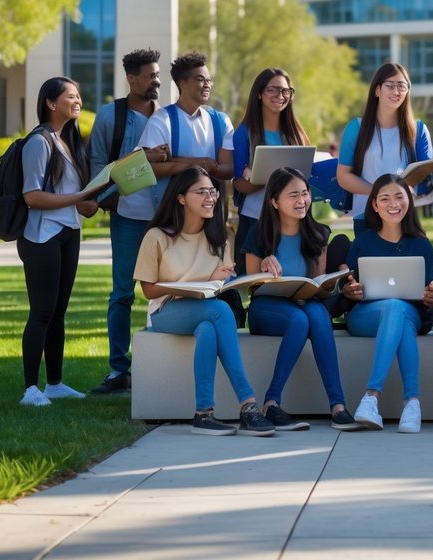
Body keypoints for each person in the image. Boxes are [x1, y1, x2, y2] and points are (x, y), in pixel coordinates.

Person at [134, 166, 274, 436]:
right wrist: (193, 285)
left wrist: (216, 280)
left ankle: (204, 414)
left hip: (205, 309)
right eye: (202, 192)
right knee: (220, 312)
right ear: (181, 198)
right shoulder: (157, 237)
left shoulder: (221, 237)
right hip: (165, 310)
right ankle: (248, 405)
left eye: (213, 192)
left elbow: (218, 285)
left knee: (209, 328)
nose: (210, 197)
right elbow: (149, 290)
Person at [124, 52, 241, 325]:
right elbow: (149, 167)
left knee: (217, 284)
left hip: (212, 219)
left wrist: (176, 161)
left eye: (209, 80)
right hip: (176, 220)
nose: (207, 85)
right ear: (182, 84)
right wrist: (198, 164)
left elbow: (227, 169)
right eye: (200, 79)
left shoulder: (220, 120)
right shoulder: (162, 120)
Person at [245, 167, 361, 431]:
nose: (302, 201)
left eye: (305, 193)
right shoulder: (259, 234)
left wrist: (336, 282)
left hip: (303, 303)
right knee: (299, 319)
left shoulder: (318, 234)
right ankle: (271, 403)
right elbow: (249, 286)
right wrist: (264, 264)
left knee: (318, 314)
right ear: (274, 201)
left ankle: (339, 407)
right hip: (266, 309)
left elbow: (316, 285)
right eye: (293, 195)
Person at [18, 77, 100, 407]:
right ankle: (30, 390)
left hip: (69, 231)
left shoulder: (69, 141)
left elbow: (68, 194)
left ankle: (54, 383)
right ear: (51, 103)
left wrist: (86, 203)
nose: (78, 101)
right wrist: (76, 198)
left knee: (59, 311)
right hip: (42, 235)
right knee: (42, 311)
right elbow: (32, 196)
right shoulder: (39, 141)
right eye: (71, 96)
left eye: (79, 96)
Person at [340, 173, 433, 433]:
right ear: (374, 205)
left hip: (411, 313)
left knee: (397, 309)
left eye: (399, 196)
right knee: (395, 309)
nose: (393, 204)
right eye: (384, 198)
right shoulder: (362, 242)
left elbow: (429, 295)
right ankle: (412, 403)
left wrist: (432, 297)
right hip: (365, 315)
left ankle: (373, 398)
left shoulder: (422, 245)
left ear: (409, 200)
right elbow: (347, 288)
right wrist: (350, 291)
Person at [89, 48, 162, 395]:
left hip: (166, 219)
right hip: (128, 219)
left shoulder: (167, 116)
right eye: (150, 76)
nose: (157, 81)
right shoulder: (110, 116)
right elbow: (97, 165)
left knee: (167, 293)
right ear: (132, 80)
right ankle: (119, 369)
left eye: (157, 75)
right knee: (122, 294)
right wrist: (109, 201)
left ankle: (161, 364)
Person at [228, 68, 309, 282]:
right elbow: (239, 184)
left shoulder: (296, 133)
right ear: (259, 94)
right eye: (273, 90)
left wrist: (259, 173)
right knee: (253, 280)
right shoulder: (243, 133)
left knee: (290, 276)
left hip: (291, 220)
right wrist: (264, 178)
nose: (280, 96)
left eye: (285, 91)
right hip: (256, 218)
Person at [336, 62, 432, 236]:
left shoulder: (418, 130)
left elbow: (424, 174)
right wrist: (379, 193)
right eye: (390, 85)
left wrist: (398, 195)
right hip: (365, 214)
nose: (396, 91)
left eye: (402, 86)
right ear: (377, 90)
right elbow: (343, 176)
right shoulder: (356, 128)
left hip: (403, 215)